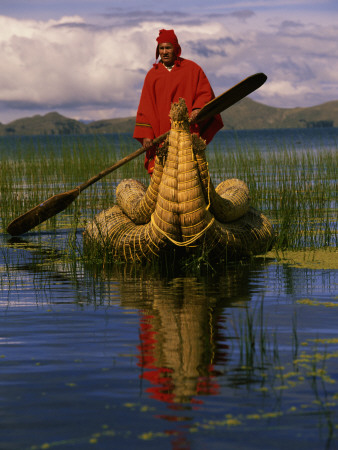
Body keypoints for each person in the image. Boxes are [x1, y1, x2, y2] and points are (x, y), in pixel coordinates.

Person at [133, 29, 224, 175]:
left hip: (186, 132)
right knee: (164, 175)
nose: (165, 52)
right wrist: (147, 134)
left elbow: (204, 92)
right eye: (161, 48)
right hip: (161, 132)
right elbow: (145, 106)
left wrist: (197, 109)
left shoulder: (192, 69)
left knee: (189, 173)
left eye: (168, 47)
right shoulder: (152, 76)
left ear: (176, 48)